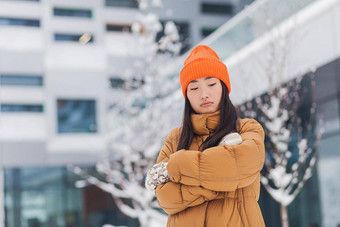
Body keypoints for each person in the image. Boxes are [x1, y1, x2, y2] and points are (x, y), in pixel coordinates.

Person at [145, 45, 266, 226]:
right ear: (186, 95)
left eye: (211, 84)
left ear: (223, 87)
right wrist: (221, 184)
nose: (204, 94)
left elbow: (238, 168)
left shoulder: (248, 129)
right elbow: (165, 197)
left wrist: (175, 167)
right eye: (194, 88)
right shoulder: (175, 139)